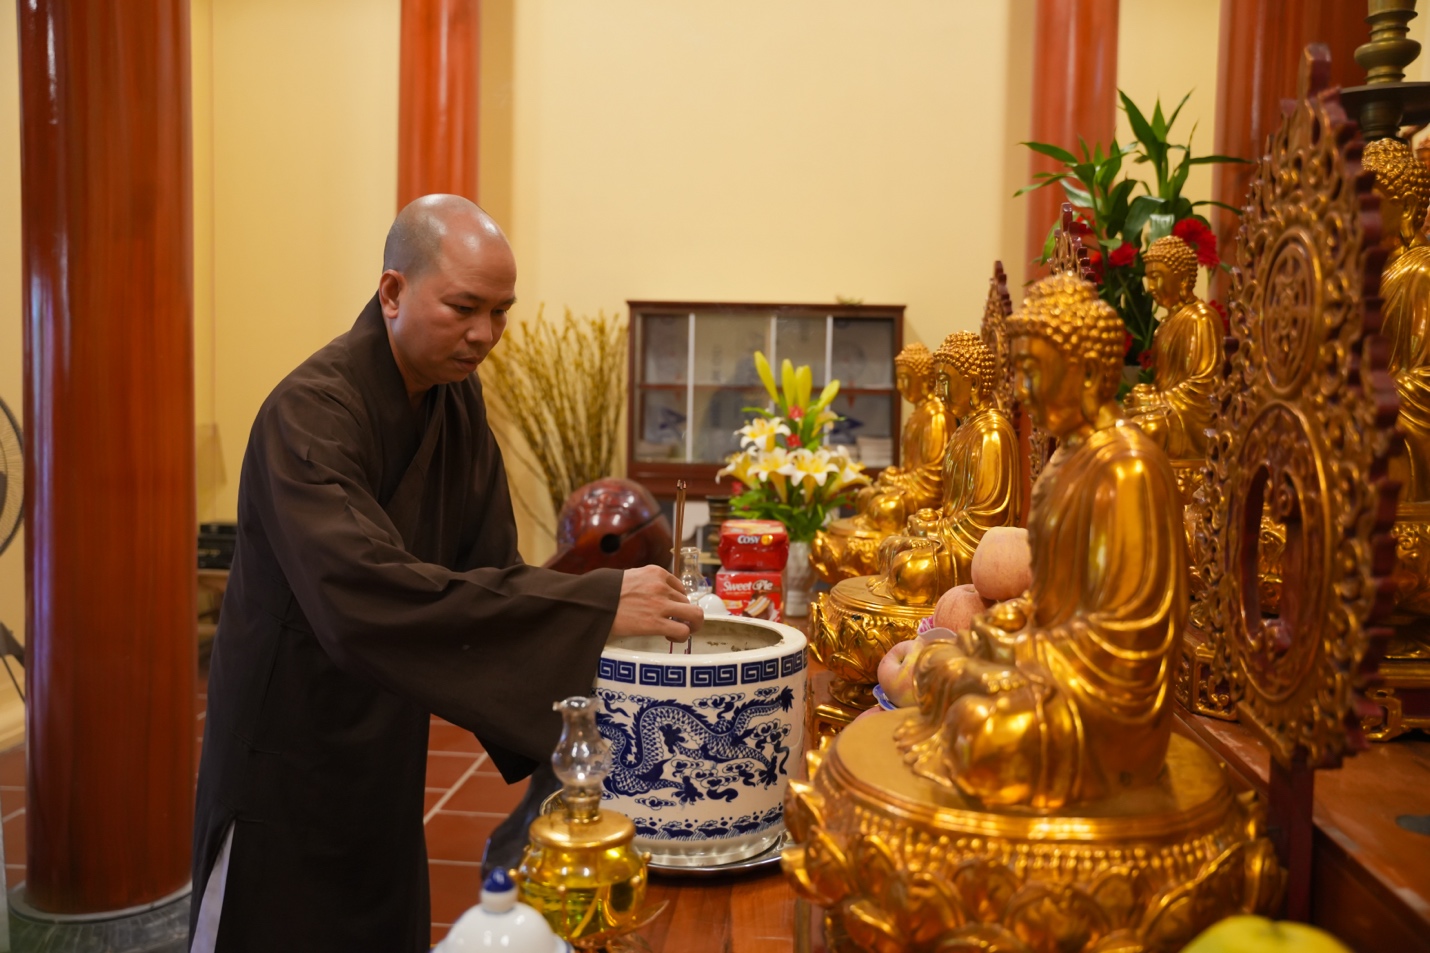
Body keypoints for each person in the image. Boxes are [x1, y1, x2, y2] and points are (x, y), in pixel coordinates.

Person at [189, 194, 703, 953]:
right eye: (465, 307)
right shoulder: (307, 415)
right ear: (392, 291)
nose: (486, 335)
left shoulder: (454, 401)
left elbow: (490, 570)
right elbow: (364, 594)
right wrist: (592, 604)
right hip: (287, 741)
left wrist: (599, 668)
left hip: (386, 728)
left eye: (501, 312)